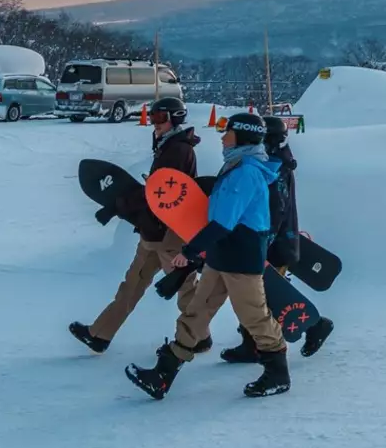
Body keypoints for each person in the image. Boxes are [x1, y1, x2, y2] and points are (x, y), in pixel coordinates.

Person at [125, 109, 289, 400]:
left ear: (242, 136)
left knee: (254, 316)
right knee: (197, 311)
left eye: (228, 132)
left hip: (241, 256)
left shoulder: (247, 173)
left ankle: (278, 372)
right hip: (222, 254)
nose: (223, 137)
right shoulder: (236, 167)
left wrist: (189, 251)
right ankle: (163, 375)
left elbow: (224, 222)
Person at [69, 95, 202, 353]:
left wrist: (117, 206)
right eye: (153, 117)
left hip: (170, 234)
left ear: (175, 119)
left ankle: (198, 336)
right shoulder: (167, 145)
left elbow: (160, 194)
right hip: (153, 232)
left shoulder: (178, 150)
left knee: (185, 289)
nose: (155, 123)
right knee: (132, 285)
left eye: (161, 118)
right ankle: (100, 334)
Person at [221, 114, 333, 363]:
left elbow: (276, 210)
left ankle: (316, 325)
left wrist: (262, 242)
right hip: (271, 240)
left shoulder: (276, 167)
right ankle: (250, 343)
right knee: (256, 296)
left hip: (273, 242)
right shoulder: (274, 161)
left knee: (268, 297)